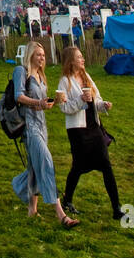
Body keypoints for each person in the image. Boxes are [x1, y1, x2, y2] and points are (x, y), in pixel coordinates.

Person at [11, 42, 78, 228]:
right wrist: (38, 103)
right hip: (29, 127)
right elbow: (19, 96)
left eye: (44, 55)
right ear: (31, 54)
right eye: (39, 54)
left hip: (42, 126)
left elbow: (42, 102)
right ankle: (61, 214)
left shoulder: (41, 75)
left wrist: (53, 102)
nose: (42, 58)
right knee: (46, 163)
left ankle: (31, 209)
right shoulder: (21, 71)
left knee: (35, 167)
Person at [56, 46, 121, 220]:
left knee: (106, 166)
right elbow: (63, 107)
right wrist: (80, 100)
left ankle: (117, 208)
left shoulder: (87, 77)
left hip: (94, 127)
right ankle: (67, 199)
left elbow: (96, 99)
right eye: (79, 57)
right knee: (77, 167)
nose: (82, 59)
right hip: (78, 130)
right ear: (71, 60)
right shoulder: (65, 81)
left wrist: (103, 105)